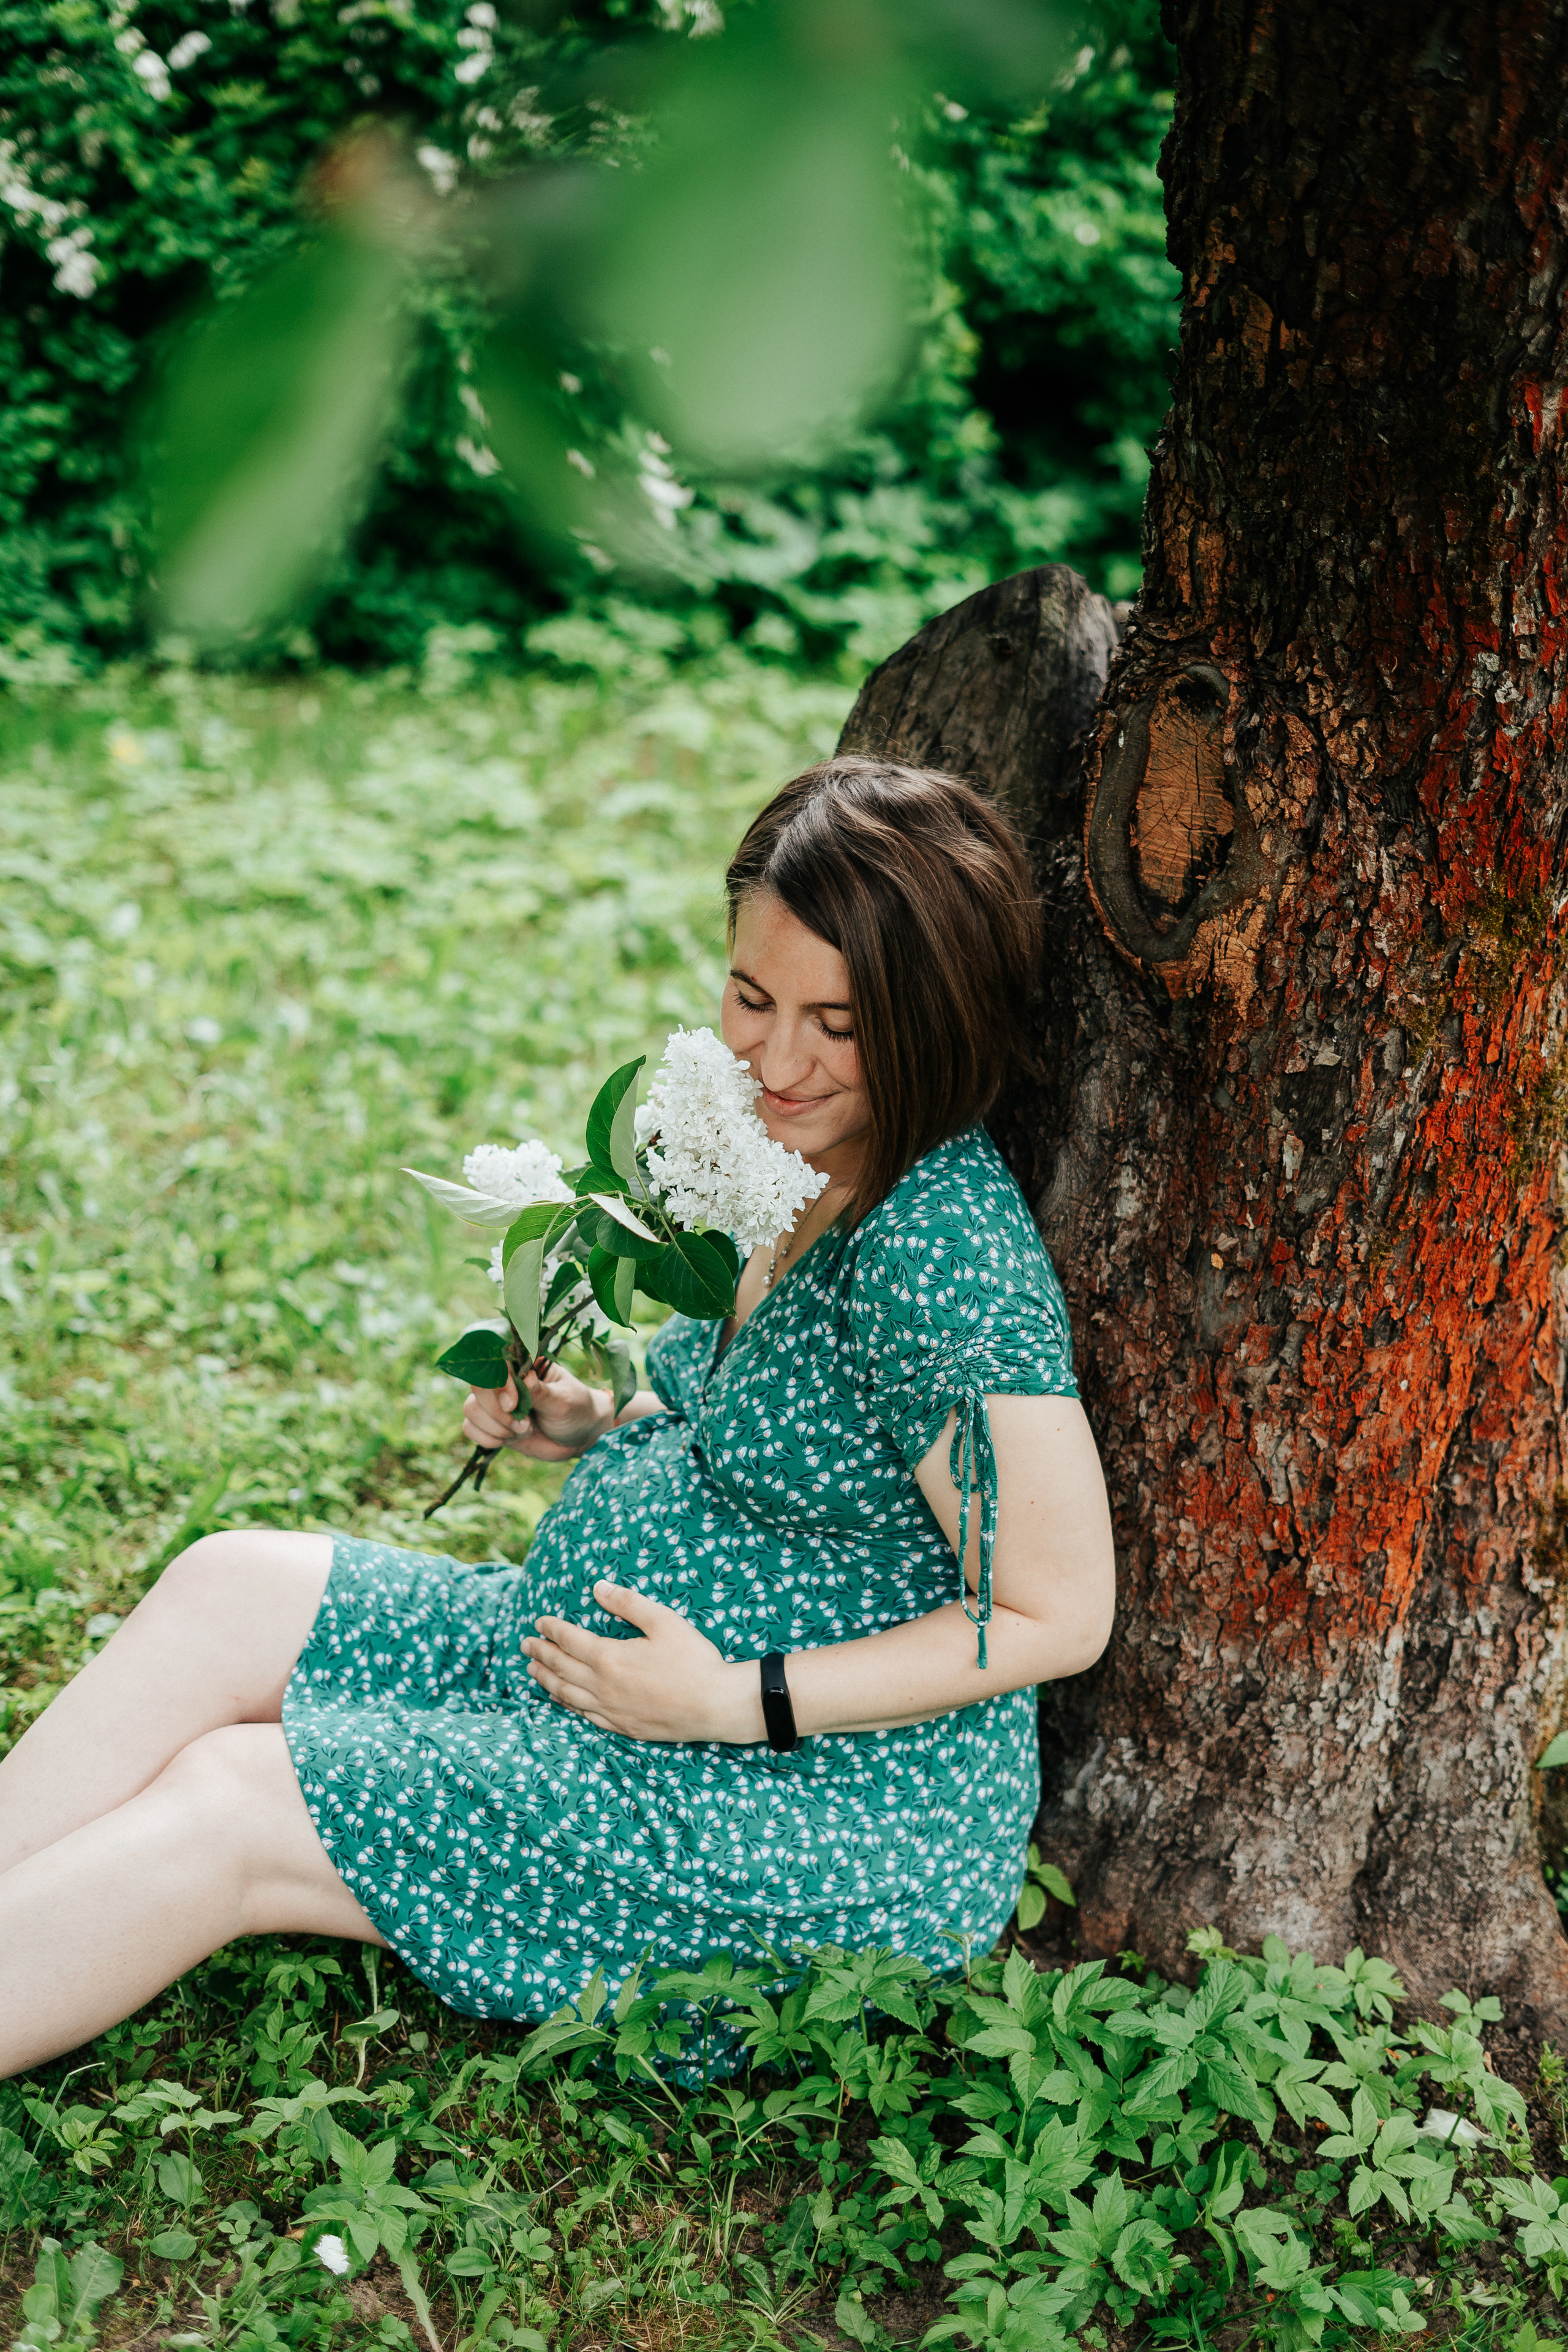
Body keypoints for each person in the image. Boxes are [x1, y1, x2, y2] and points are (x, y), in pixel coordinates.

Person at [0, 757, 1115, 2079]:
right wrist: (598, 1423)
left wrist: (731, 1701)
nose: (775, 1057)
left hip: (796, 1805)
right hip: (595, 1670)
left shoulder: (936, 1255)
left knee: (234, 1800)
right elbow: (755, 1417)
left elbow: (1052, 1609)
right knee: (231, 1585)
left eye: (841, 1022)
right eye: (751, 997)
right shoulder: (767, 1148)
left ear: (931, 1021)